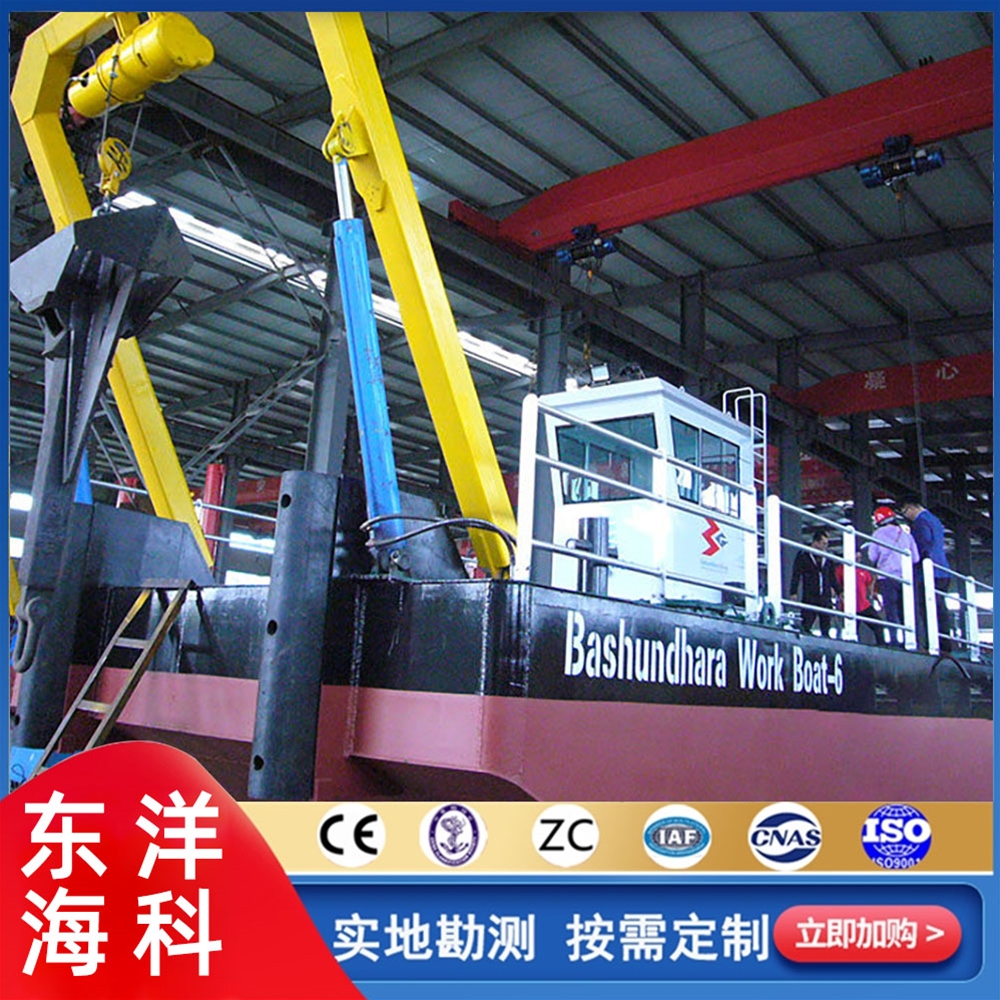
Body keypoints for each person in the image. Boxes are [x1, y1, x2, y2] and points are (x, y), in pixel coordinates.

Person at [897, 497, 953, 650]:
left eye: (905, 512)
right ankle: (944, 642)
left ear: (911, 507)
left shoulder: (920, 523)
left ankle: (933, 643)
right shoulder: (934, 520)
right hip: (942, 569)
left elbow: (923, 545)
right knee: (940, 607)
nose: (906, 516)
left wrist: (915, 561)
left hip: (928, 572)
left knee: (928, 609)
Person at [863, 505, 919, 646]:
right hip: (905, 578)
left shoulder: (877, 535)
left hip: (887, 577)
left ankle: (894, 640)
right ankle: (909, 640)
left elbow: (872, 556)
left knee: (891, 611)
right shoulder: (906, 535)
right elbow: (916, 558)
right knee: (905, 610)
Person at [789, 526, 836, 636]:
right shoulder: (803, 556)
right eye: (823, 544)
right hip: (810, 596)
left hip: (825, 597)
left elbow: (832, 577)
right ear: (816, 542)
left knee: (826, 627)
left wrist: (839, 591)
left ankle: (826, 644)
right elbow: (796, 574)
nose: (825, 547)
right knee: (806, 625)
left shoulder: (828, 558)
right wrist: (793, 591)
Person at [834, 562, 881, 645]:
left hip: (863, 605)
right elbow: (835, 584)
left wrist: (875, 595)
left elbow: (870, 585)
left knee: (878, 625)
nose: (858, 557)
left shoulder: (862, 569)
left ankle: (882, 645)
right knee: (850, 630)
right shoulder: (841, 569)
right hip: (849, 607)